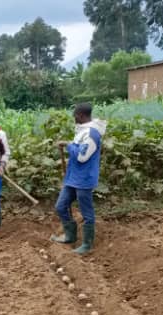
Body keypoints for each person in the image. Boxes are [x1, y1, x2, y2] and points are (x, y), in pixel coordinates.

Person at [51, 103, 107, 256]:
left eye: (75, 115)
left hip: (84, 178)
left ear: (81, 115)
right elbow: (78, 147)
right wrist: (69, 144)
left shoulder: (92, 133)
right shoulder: (82, 130)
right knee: (61, 206)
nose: (74, 118)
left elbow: (82, 156)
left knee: (86, 212)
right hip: (73, 177)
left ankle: (87, 245)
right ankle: (70, 236)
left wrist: (69, 146)